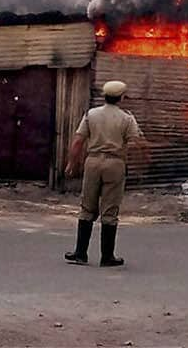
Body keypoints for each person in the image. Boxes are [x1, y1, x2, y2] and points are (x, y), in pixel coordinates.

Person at [64, 79, 142, 267]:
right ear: (121, 97)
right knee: (110, 210)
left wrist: (71, 163)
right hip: (115, 164)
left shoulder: (91, 114)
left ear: (105, 96)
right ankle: (107, 257)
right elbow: (136, 144)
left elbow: (77, 141)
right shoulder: (127, 118)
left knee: (87, 207)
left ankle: (80, 253)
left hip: (93, 162)